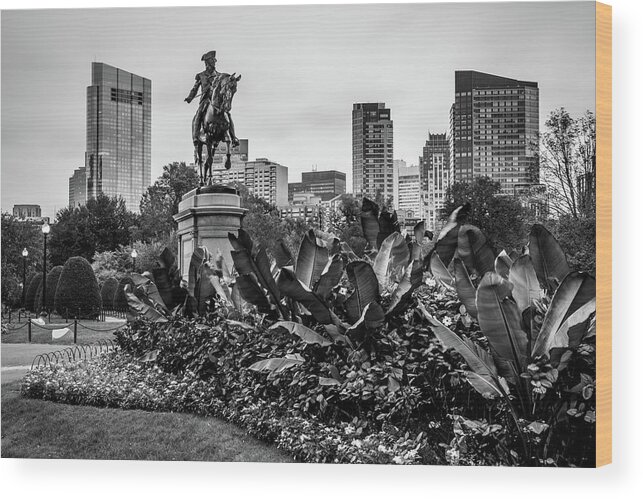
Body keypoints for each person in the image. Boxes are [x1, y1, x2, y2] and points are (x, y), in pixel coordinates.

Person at [185, 50, 220, 145]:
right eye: (212, 61)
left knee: (227, 115)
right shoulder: (201, 75)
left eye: (214, 60)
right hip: (205, 100)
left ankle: (233, 137)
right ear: (207, 62)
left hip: (216, 101)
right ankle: (196, 136)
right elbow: (195, 88)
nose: (214, 62)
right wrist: (190, 97)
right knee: (198, 115)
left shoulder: (219, 76)